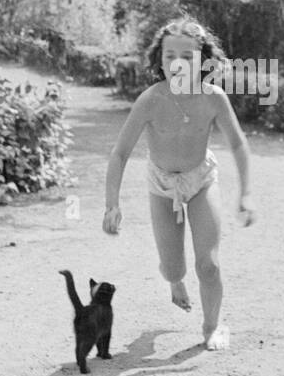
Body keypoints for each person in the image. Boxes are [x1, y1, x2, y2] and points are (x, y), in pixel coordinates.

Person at [103, 17, 256, 350]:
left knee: (209, 265)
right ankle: (174, 281)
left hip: (201, 179)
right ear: (160, 59)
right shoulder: (150, 100)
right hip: (162, 184)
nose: (178, 63)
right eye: (170, 55)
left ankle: (213, 326)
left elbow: (239, 144)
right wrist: (112, 204)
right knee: (174, 268)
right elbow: (119, 155)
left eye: (187, 57)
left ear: (202, 60)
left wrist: (245, 194)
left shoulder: (213, 98)